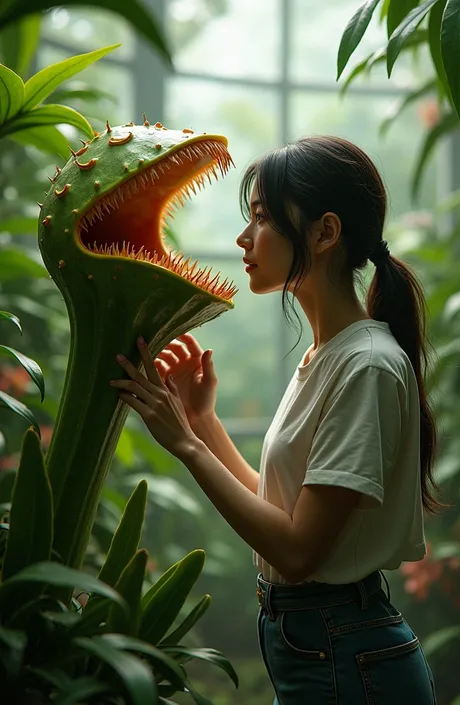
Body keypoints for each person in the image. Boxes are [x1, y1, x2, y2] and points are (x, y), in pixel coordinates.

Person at [110, 135, 441, 704]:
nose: (244, 238)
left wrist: (187, 446)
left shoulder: (364, 365)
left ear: (325, 233)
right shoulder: (328, 356)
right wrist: (204, 423)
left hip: (347, 657)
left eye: (261, 218)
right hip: (321, 646)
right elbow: (282, 509)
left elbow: (296, 552)